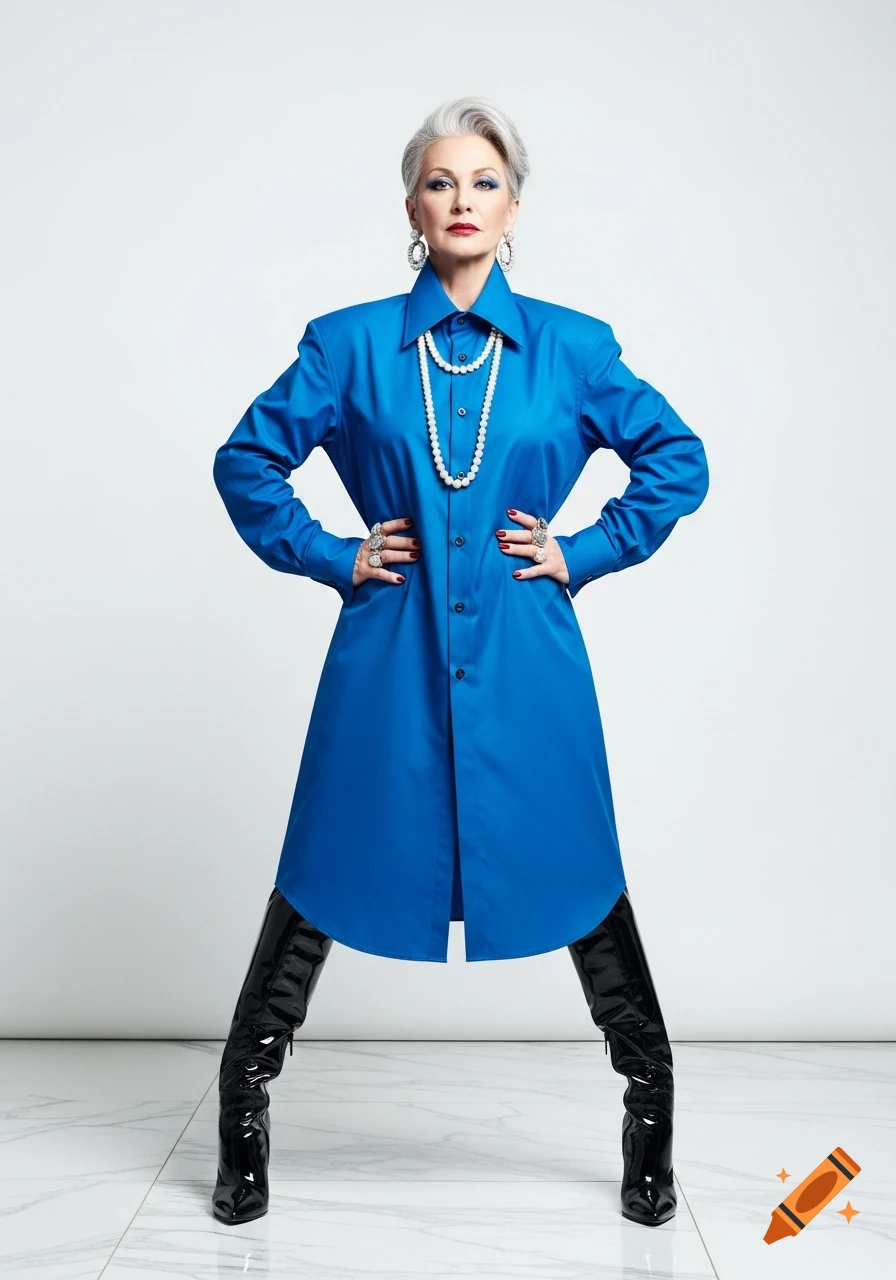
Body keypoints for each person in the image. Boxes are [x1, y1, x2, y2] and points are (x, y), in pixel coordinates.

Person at [210, 95, 710, 1230]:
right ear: (411, 208)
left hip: (528, 660)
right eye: (440, 182)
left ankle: (649, 1111)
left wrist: (581, 548)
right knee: (322, 867)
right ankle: (242, 1106)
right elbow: (246, 462)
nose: (461, 201)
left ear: (513, 207)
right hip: (386, 653)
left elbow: (676, 460)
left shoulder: (572, 348)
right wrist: (332, 552)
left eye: (482, 181)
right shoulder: (345, 344)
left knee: (580, 871)